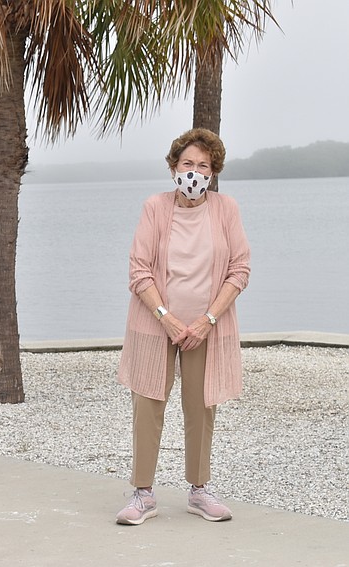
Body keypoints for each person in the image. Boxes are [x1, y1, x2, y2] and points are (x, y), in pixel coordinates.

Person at [115, 128, 251, 525]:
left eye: (203, 166)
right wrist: (169, 320)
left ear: (214, 172)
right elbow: (139, 271)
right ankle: (142, 494)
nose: (194, 172)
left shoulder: (226, 210)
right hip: (157, 324)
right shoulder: (154, 208)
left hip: (208, 327)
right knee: (148, 405)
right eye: (188, 164)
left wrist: (207, 320)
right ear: (174, 166)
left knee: (201, 406)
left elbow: (239, 269)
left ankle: (199, 489)